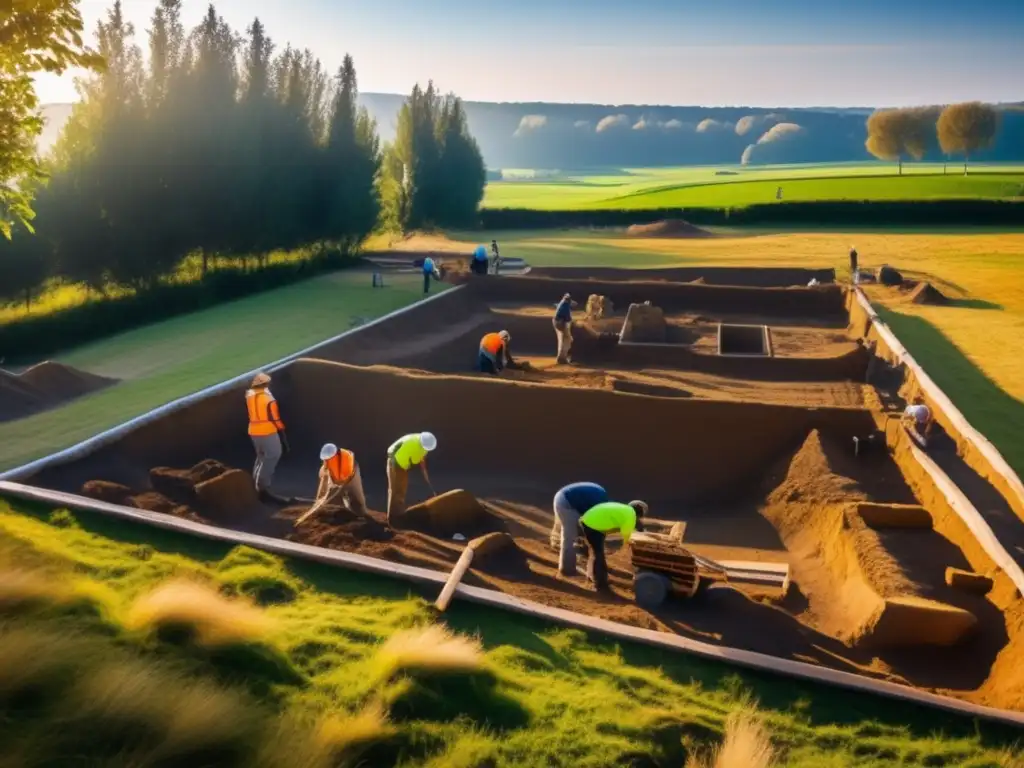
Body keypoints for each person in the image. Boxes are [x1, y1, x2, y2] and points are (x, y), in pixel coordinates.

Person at [579, 500, 648, 591]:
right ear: (638, 515)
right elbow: (627, 537)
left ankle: (595, 578)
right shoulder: (630, 516)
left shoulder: (626, 511)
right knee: (598, 553)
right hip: (592, 524)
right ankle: (599, 584)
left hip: (592, 519)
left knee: (597, 551)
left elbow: (638, 527)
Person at [550, 482, 610, 576]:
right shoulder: (598, 506)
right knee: (569, 536)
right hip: (566, 502)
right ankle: (567, 569)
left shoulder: (602, 501)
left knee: (580, 532)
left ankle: (585, 560)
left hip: (565, 495)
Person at [245, 372, 289, 500]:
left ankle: (255, 484)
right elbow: (275, 418)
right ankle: (262, 487)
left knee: (261, 456)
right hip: (267, 430)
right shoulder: (269, 399)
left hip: (253, 430)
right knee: (274, 454)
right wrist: (282, 430)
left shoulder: (250, 396)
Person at [386, 431, 437, 524]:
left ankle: (396, 514)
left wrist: (424, 470)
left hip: (400, 460)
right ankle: (395, 518)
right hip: (396, 462)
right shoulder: (413, 446)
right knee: (398, 489)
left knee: (399, 489)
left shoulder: (421, 441)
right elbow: (409, 461)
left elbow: (421, 459)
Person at [316, 443, 367, 516]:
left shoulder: (348, 463)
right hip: (337, 474)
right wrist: (319, 503)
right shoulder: (324, 468)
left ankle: (358, 511)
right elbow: (322, 488)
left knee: (357, 506)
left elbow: (344, 483)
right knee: (329, 506)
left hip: (350, 475)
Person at [553, 293, 576, 364]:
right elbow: (568, 320)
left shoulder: (562, 302)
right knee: (567, 340)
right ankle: (562, 359)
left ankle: (561, 358)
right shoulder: (565, 307)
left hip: (556, 322)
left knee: (562, 340)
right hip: (560, 323)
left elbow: (557, 305)